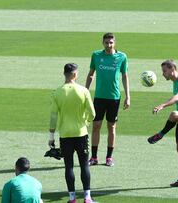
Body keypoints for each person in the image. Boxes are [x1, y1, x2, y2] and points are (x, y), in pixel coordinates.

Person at [49, 63, 97, 203]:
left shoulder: (57, 92)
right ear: (75, 74)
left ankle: (72, 198)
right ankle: (87, 197)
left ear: (64, 74)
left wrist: (51, 137)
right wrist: (86, 123)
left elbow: (53, 117)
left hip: (65, 135)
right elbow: (93, 114)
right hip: (81, 133)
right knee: (84, 165)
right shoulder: (83, 91)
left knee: (68, 166)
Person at [85, 32, 130, 167]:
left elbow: (125, 76)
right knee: (96, 126)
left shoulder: (122, 57)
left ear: (114, 43)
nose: (109, 45)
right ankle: (93, 157)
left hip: (114, 98)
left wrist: (128, 96)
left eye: (111, 42)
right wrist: (85, 91)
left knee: (111, 127)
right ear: (102, 43)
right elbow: (91, 74)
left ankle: (109, 157)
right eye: (106, 43)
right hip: (99, 97)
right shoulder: (96, 55)